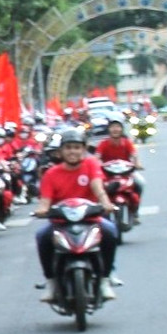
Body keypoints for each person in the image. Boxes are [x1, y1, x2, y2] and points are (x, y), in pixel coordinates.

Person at [33, 128, 119, 302]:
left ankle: (105, 279)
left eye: (77, 147)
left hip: (90, 219)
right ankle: (51, 282)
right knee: (42, 236)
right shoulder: (51, 174)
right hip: (60, 222)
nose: (73, 151)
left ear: (83, 149)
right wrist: (42, 210)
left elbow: (97, 187)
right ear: (60, 152)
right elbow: (45, 201)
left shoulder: (91, 164)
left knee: (110, 232)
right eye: (68, 147)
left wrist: (105, 202)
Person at [95, 117, 144, 219]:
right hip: (108, 173)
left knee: (140, 183)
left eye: (117, 127)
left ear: (121, 129)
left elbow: (134, 155)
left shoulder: (127, 142)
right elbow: (97, 157)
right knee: (96, 187)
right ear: (109, 129)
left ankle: (135, 210)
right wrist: (96, 164)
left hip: (126, 172)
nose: (115, 129)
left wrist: (137, 163)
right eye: (113, 127)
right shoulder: (103, 144)